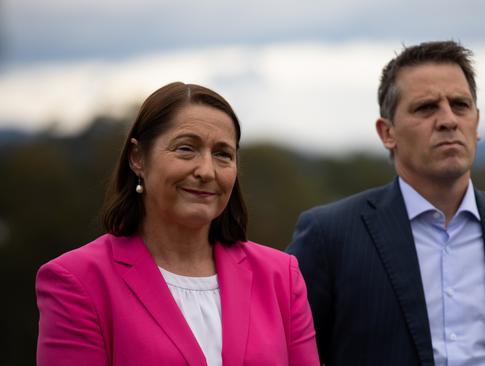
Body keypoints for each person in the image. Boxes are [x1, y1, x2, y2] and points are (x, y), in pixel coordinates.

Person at [287, 41, 485, 366]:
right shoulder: (329, 237)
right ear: (387, 132)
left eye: (460, 105)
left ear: (476, 123)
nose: (448, 120)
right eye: (426, 107)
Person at [36, 82, 320, 366]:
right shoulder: (78, 281)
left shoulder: (280, 277)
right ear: (138, 158)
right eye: (186, 149)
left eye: (223, 154)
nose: (206, 171)